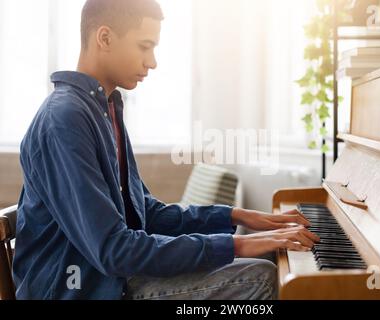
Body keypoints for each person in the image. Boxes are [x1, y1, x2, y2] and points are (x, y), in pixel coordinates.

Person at [13, 0, 319, 300]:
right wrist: (236, 245)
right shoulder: (64, 119)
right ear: (104, 38)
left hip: (112, 277)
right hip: (82, 291)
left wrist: (240, 216)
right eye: (144, 46)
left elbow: (148, 214)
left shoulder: (104, 109)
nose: (152, 62)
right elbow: (113, 249)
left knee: (256, 267)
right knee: (259, 277)